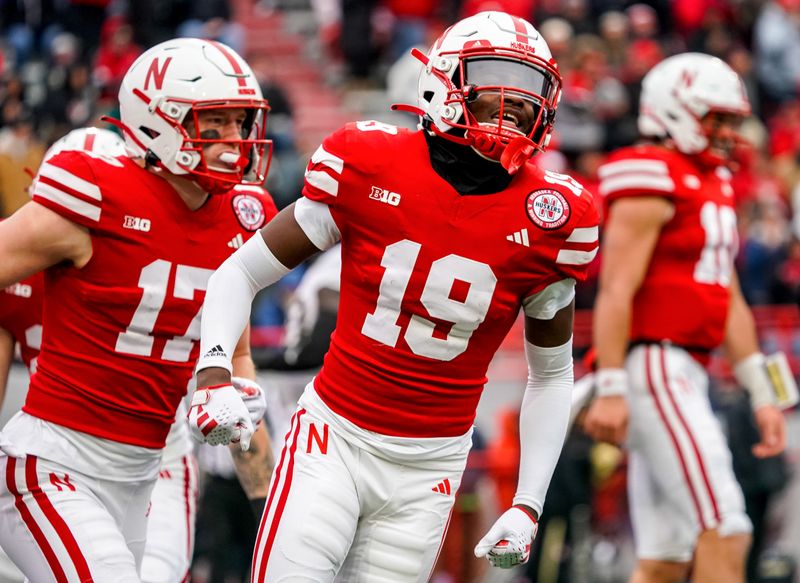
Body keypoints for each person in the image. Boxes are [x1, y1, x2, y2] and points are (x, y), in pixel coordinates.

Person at [192, 11, 600, 581]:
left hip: (431, 468)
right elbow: (239, 272)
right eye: (494, 86)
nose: (513, 107)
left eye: (528, 92)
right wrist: (213, 372)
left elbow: (552, 376)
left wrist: (527, 503)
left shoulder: (555, 218)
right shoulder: (370, 164)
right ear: (444, 83)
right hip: (332, 437)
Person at [0, 38, 276, 582]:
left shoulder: (241, 219)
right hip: (57, 463)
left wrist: (264, 496)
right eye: (212, 124)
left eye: (240, 124)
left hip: (148, 473)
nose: (232, 143)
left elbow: (236, 354)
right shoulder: (97, 194)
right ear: (157, 122)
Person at [583, 52, 794, 583]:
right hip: (656, 363)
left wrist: (766, 392)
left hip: (687, 370)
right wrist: (609, 384)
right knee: (726, 525)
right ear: (674, 111)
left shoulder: (715, 182)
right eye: (715, 119)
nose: (728, 132)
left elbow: (730, 299)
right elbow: (616, 288)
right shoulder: (652, 173)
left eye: (731, 120)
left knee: (664, 558)